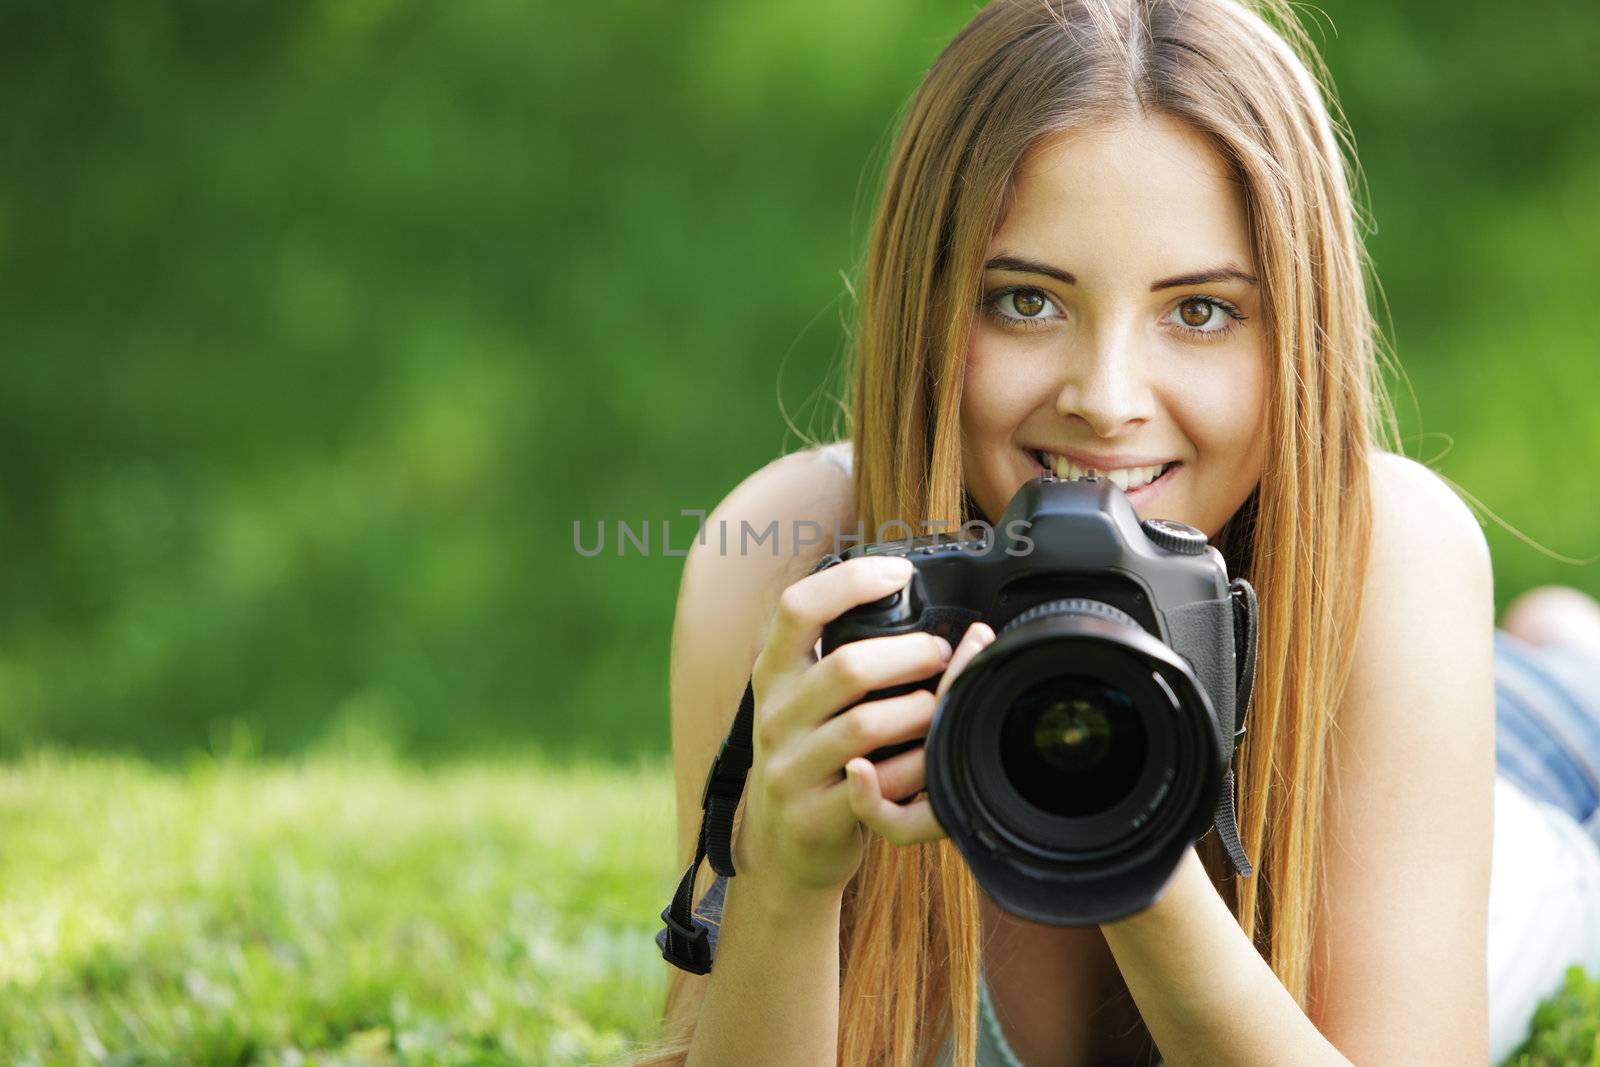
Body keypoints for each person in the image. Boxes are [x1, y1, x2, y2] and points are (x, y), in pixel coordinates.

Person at [636, 1, 1600, 1063]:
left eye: (1199, 311)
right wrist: (782, 882)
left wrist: (1129, 854)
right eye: (1023, 301)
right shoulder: (798, 559)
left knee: (1567, 691)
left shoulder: (1389, 556)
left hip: (1534, 770)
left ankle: (1567, 647)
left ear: (1297, 329)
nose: (1106, 398)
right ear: (929, 301)